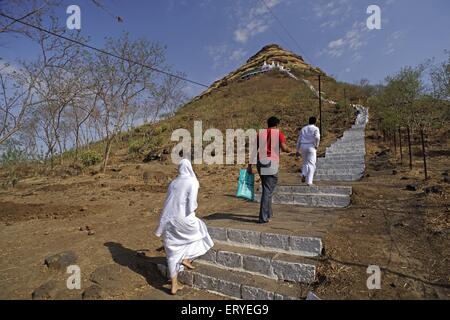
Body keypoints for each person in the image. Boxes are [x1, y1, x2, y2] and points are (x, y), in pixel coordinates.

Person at [155, 159, 214, 295]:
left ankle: (174, 284)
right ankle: (186, 257)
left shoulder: (173, 182)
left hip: (168, 220)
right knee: (201, 230)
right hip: (184, 219)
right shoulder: (193, 181)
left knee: (172, 252)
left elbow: (168, 202)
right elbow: (192, 205)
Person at [248, 116, 292, 224]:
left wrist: (249, 165)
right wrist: (290, 150)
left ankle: (268, 213)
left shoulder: (260, 134)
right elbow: (283, 147)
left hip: (260, 162)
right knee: (267, 190)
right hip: (271, 162)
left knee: (266, 189)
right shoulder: (278, 133)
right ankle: (263, 217)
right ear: (276, 124)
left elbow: (254, 150)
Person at [296, 117, 321, 186]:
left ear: (309, 121)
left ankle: (304, 174)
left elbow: (299, 140)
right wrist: (317, 145)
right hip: (311, 147)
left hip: (303, 146)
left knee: (305, 162)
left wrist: (297, 150)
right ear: (315, 122)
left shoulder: (303, 128)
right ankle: (309, 182)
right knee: (312, 164)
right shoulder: (316, 128)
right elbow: (317, 137)